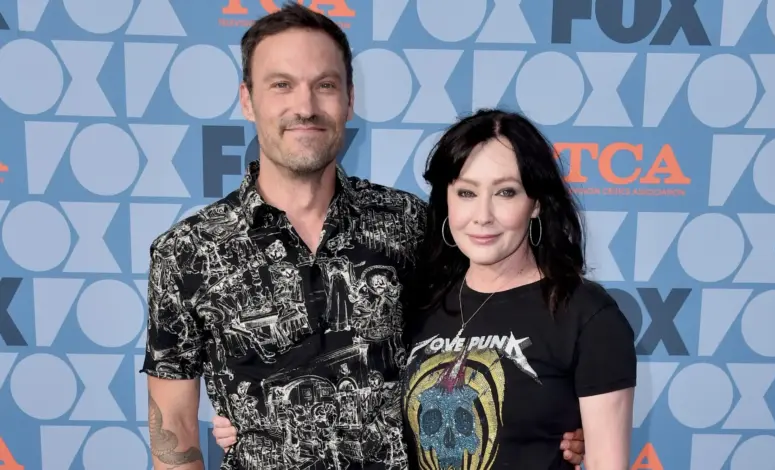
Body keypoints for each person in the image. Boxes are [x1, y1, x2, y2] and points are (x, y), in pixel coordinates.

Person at [141, 2, 586, 469]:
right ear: (248, 100)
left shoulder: (410, 223)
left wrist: (558, 418)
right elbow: (174, 430)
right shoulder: (187, 253)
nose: (305, 107)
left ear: (350, 99)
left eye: (325, 85)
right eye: (281, 85)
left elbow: (495, 325)